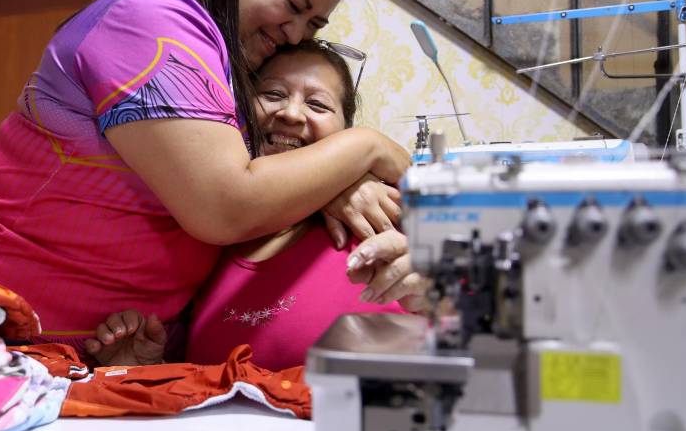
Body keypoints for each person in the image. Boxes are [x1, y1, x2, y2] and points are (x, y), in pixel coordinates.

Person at [0, 0, 411, 356]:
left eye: (312, 26)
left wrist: (340, 185)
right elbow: (225, 206)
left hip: (91, 355)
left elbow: (262, 171)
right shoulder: (153, 22)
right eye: (292, 5)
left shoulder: (225, 65)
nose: (294, 35)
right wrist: (365, 146)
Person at [85, 41, 430, 369]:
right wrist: (145, 369)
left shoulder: (383, 215)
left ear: (346, 132)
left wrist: (437, 293)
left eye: (318, 105)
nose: (291, 114)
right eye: (273, 94)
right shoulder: (203, 237)